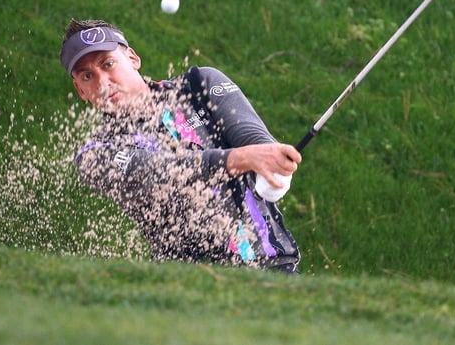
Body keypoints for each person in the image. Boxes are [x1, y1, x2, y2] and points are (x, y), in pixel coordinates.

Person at [60, 19, 303, 273]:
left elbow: (252, 137)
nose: (102, 83)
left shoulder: (198, 85)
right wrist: (242, 159)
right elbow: (162, 171)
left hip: (274, 266)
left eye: (108, 64)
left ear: (132, 58)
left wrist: (274, 161)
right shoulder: (95, 153)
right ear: (80, 90)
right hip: (190, 280)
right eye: (87, 76)